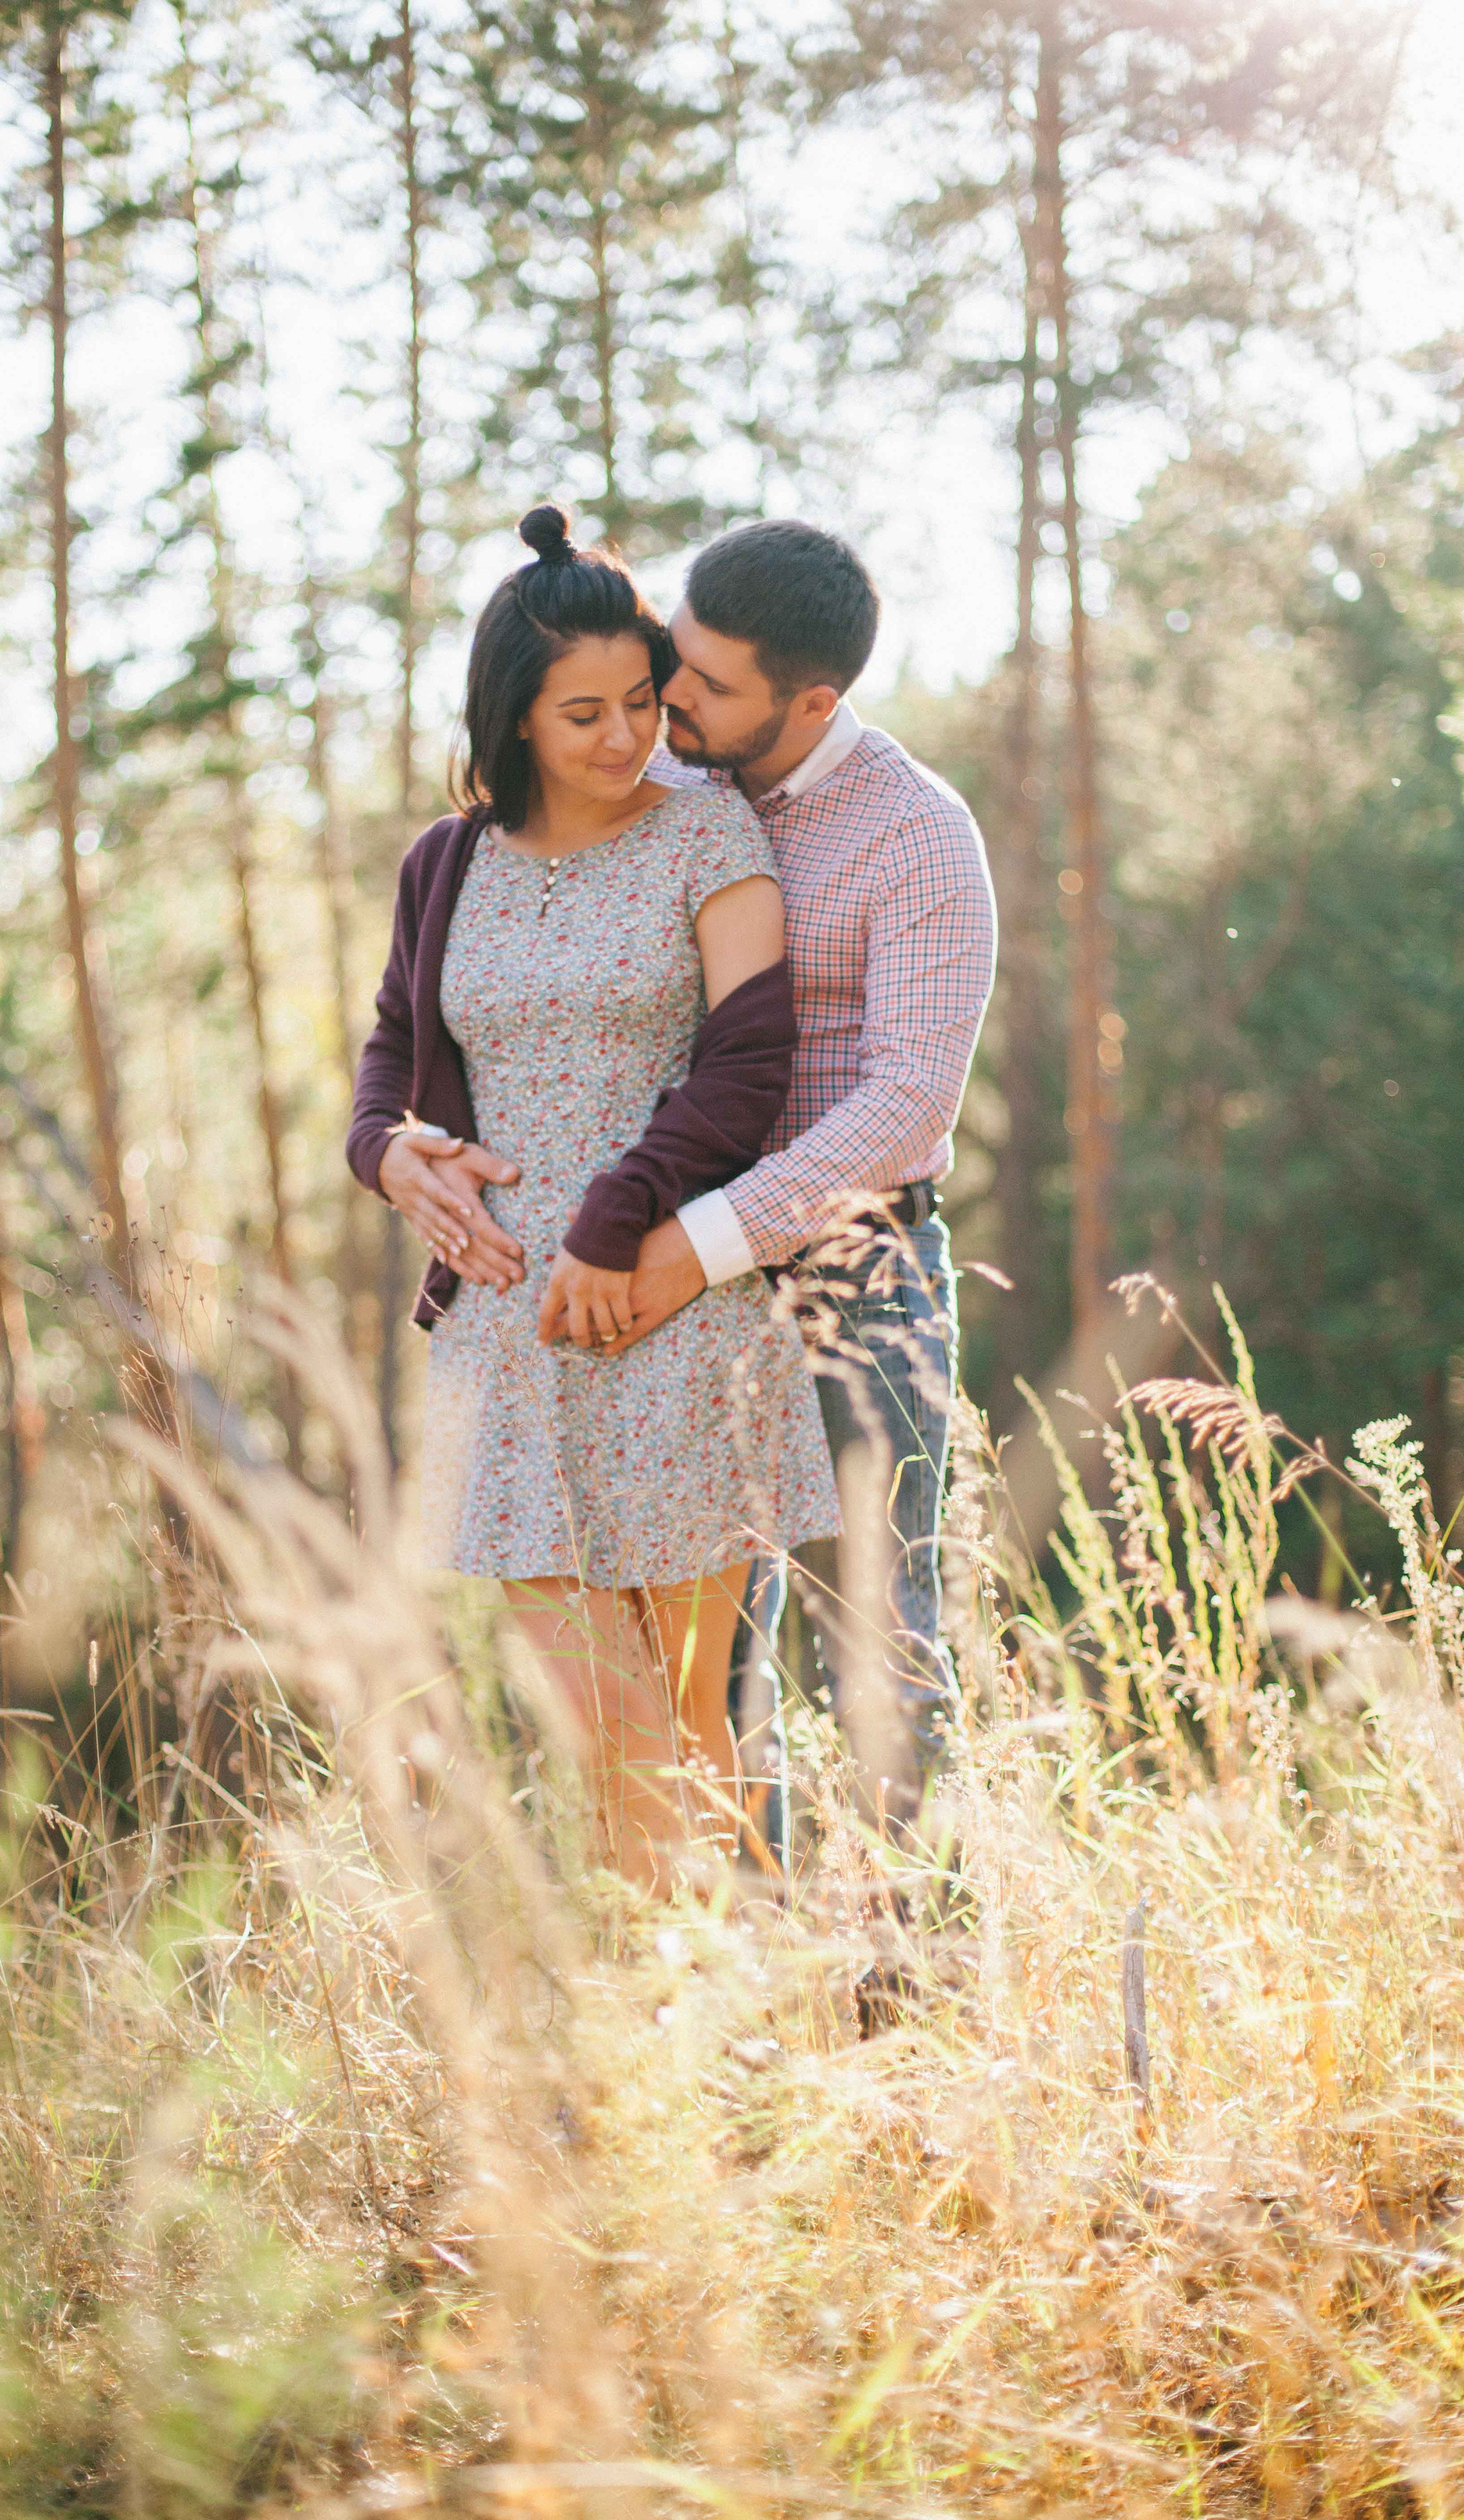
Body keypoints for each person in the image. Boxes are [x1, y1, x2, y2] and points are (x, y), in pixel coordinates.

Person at [434, 520, 998, 1834]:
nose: (667, 700)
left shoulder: (916, 837)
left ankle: (901, 1987)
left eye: (707, 685)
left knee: (884, 1632)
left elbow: (907, 1096)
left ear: (813, 701)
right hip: (659, 1266)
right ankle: (749, 1973)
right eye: (670, 661)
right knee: (702, 1654)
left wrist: (708, 1238)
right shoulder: (663, 795)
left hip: (853, 1272)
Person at [348, 506, 839, 1891]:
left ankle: (737, 2047)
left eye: (641, 700)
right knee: (602, 1729)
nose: (625, 736)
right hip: (507, 1343)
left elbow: (750, 1064)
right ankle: (684, 2033)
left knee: (684, 1721)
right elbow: (392, 1048)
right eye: (583, 713)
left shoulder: (707, 833)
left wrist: (613, 1216)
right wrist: (382, 1150)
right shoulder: (444, 865)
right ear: (511, 718)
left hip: (669, 1310)